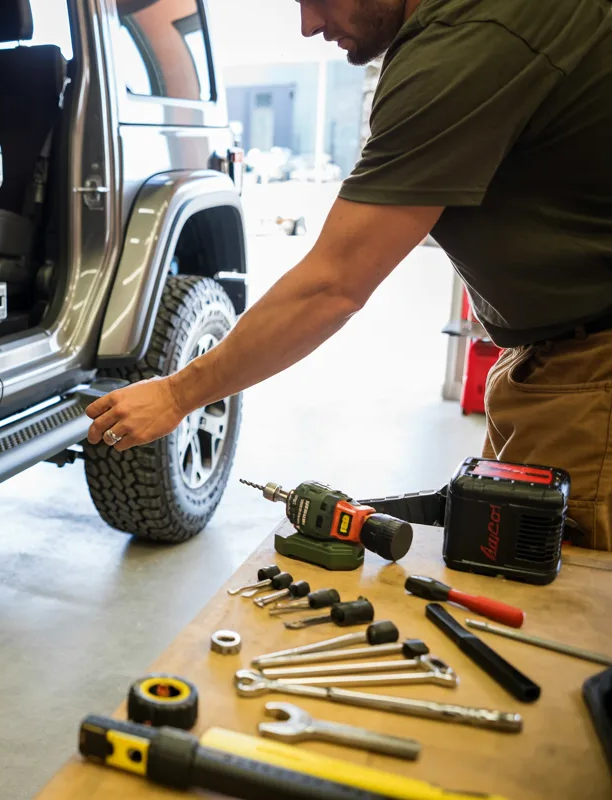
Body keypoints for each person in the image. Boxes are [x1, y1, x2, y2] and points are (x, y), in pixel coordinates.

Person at [85, 0, 612, 550]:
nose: (309, 25)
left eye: (315, 0)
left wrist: (175, 395)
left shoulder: (466, 42)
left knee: (561, 597)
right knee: (515, 558)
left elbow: (333, 285)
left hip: (594, 369)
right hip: (555, 358)